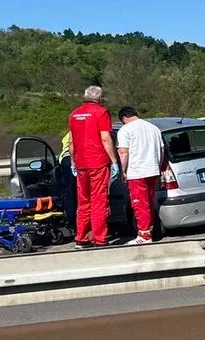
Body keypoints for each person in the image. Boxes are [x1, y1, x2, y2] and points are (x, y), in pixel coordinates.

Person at [68, 86, 119, 248]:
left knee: (83, 201)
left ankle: (81, 237)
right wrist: (114, 160)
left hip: (81, 162)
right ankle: (99, 238)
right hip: (97, 162)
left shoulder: (74, 114)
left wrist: (73, 162)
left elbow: (71, 141)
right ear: (99, 97)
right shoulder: (101, 112)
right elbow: (105, 138)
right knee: (99, 200)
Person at [116, 106, 165, 245]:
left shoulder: (125, 130)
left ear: (124, 118)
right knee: (149, 203)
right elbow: (161, 150)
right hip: (153, 170)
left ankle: (144, 235)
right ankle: (150, 232)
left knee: (139, 204)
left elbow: (123, 152)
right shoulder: (154, 128)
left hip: (137, 171)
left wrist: (123, 171)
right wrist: (158, 165)